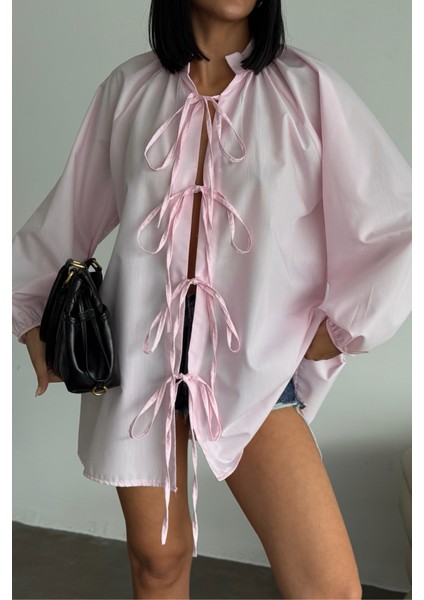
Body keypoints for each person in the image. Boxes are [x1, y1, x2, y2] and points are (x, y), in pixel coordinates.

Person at [13, 0, 411, 598]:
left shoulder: (308, 91)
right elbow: (67, 215)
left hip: (255, 369)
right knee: (157, 562)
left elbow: (397, 225)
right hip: (139, 363)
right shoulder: (128, 89)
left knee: (329, 589)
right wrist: (30, 317)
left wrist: (336, 331)